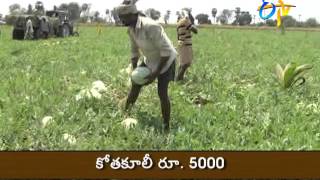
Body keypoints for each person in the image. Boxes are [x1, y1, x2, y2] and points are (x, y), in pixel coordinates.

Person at [116, 0, 177, 131]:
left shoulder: (151, 26)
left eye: (123, 17)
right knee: (135, 85)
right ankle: (125, 112)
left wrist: (155, 74)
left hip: (165, 61)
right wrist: (134, 69)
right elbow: (134, 51)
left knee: (162, 92)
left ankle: (166, 126)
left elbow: (166, 52)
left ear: (133, 14)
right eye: (120, 17)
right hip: (150, 59)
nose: (121, 20)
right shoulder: (131, 29)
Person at [176, 10, 198, 81]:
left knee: (182, 62)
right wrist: (193, 25)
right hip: (186, 44)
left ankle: (179, 78)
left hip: (181, 43)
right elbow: (195, 31)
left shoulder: (178, 22)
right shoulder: (186, 20)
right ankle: (179, 78)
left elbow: (178, 36)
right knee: (186, 63)